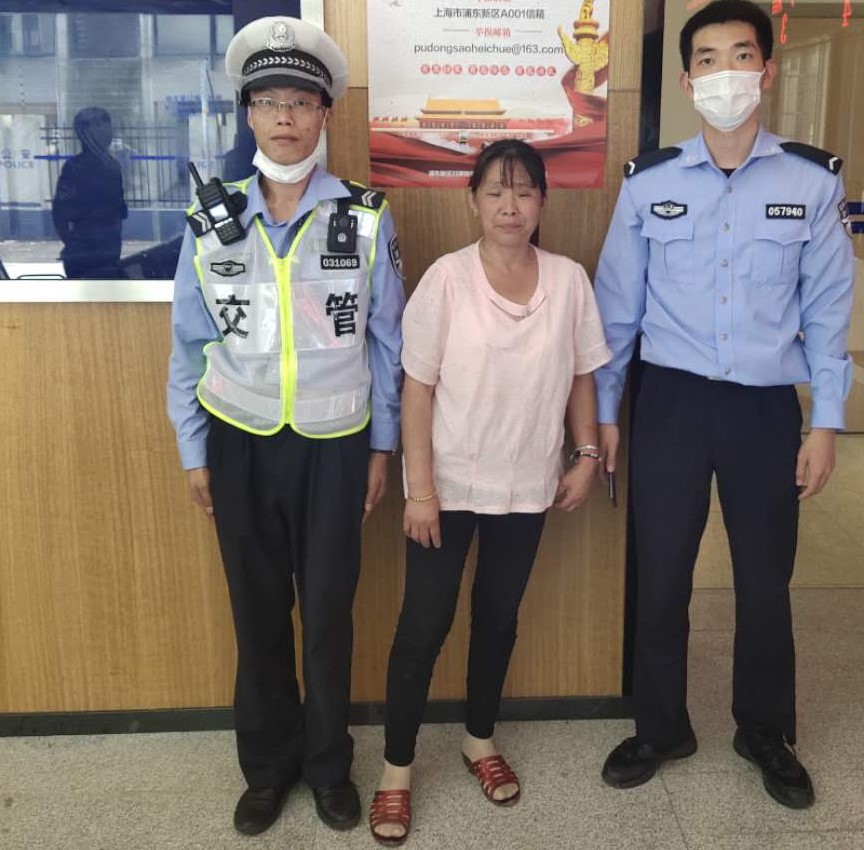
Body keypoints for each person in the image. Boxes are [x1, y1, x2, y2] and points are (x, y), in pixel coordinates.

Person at [594, 0, 854, 810]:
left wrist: (826, 422)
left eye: (740, 56)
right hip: (668, 402)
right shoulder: (649, 183)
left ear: (765, 70)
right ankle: (660, 726)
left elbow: (828, 311)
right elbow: (615, 311)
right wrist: (605, 413)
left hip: (763, 408)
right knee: (661, 574)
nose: (725, 74)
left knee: (763, 580)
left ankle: (764, 730)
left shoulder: (811, 181)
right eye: (707, 60)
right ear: (686, 81)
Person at [166, 16, 405, 836]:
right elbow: (188, 343)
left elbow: (387, 341)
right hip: (238, 441)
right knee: (258, 612)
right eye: (267, 102)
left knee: (329, 614)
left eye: (300, 102)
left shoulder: (366, 216)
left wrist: (383, 445)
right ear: (247, 115)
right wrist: (193, 449)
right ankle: (267, 768)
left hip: (336, 445)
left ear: (323, 113)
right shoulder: (209, 220)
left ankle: (329, 765)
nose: (284, 118)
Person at [368, 139, 611, 846]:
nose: (511, 206)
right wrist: (419, 490)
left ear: (542, 201)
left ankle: (479, 739)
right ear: (471, 200)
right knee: (423, 626)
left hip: (527, 482)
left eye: (525, 192)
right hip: (446, 486)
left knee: (498, 619)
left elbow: (582, 374)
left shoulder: (568, 280)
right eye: (496, 192)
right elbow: (416, 389)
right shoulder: (446, 279)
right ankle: (396, 769)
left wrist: (586, 454)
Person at [52, 106, 128, 278]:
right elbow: (60, 214)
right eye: (98, 126)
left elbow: (118, 212)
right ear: (84, 134)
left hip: (109, 252)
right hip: (83, 257)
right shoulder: (75, 167)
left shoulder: (113, 166)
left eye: (107, 125)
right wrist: (75, 245)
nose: (107, 132)